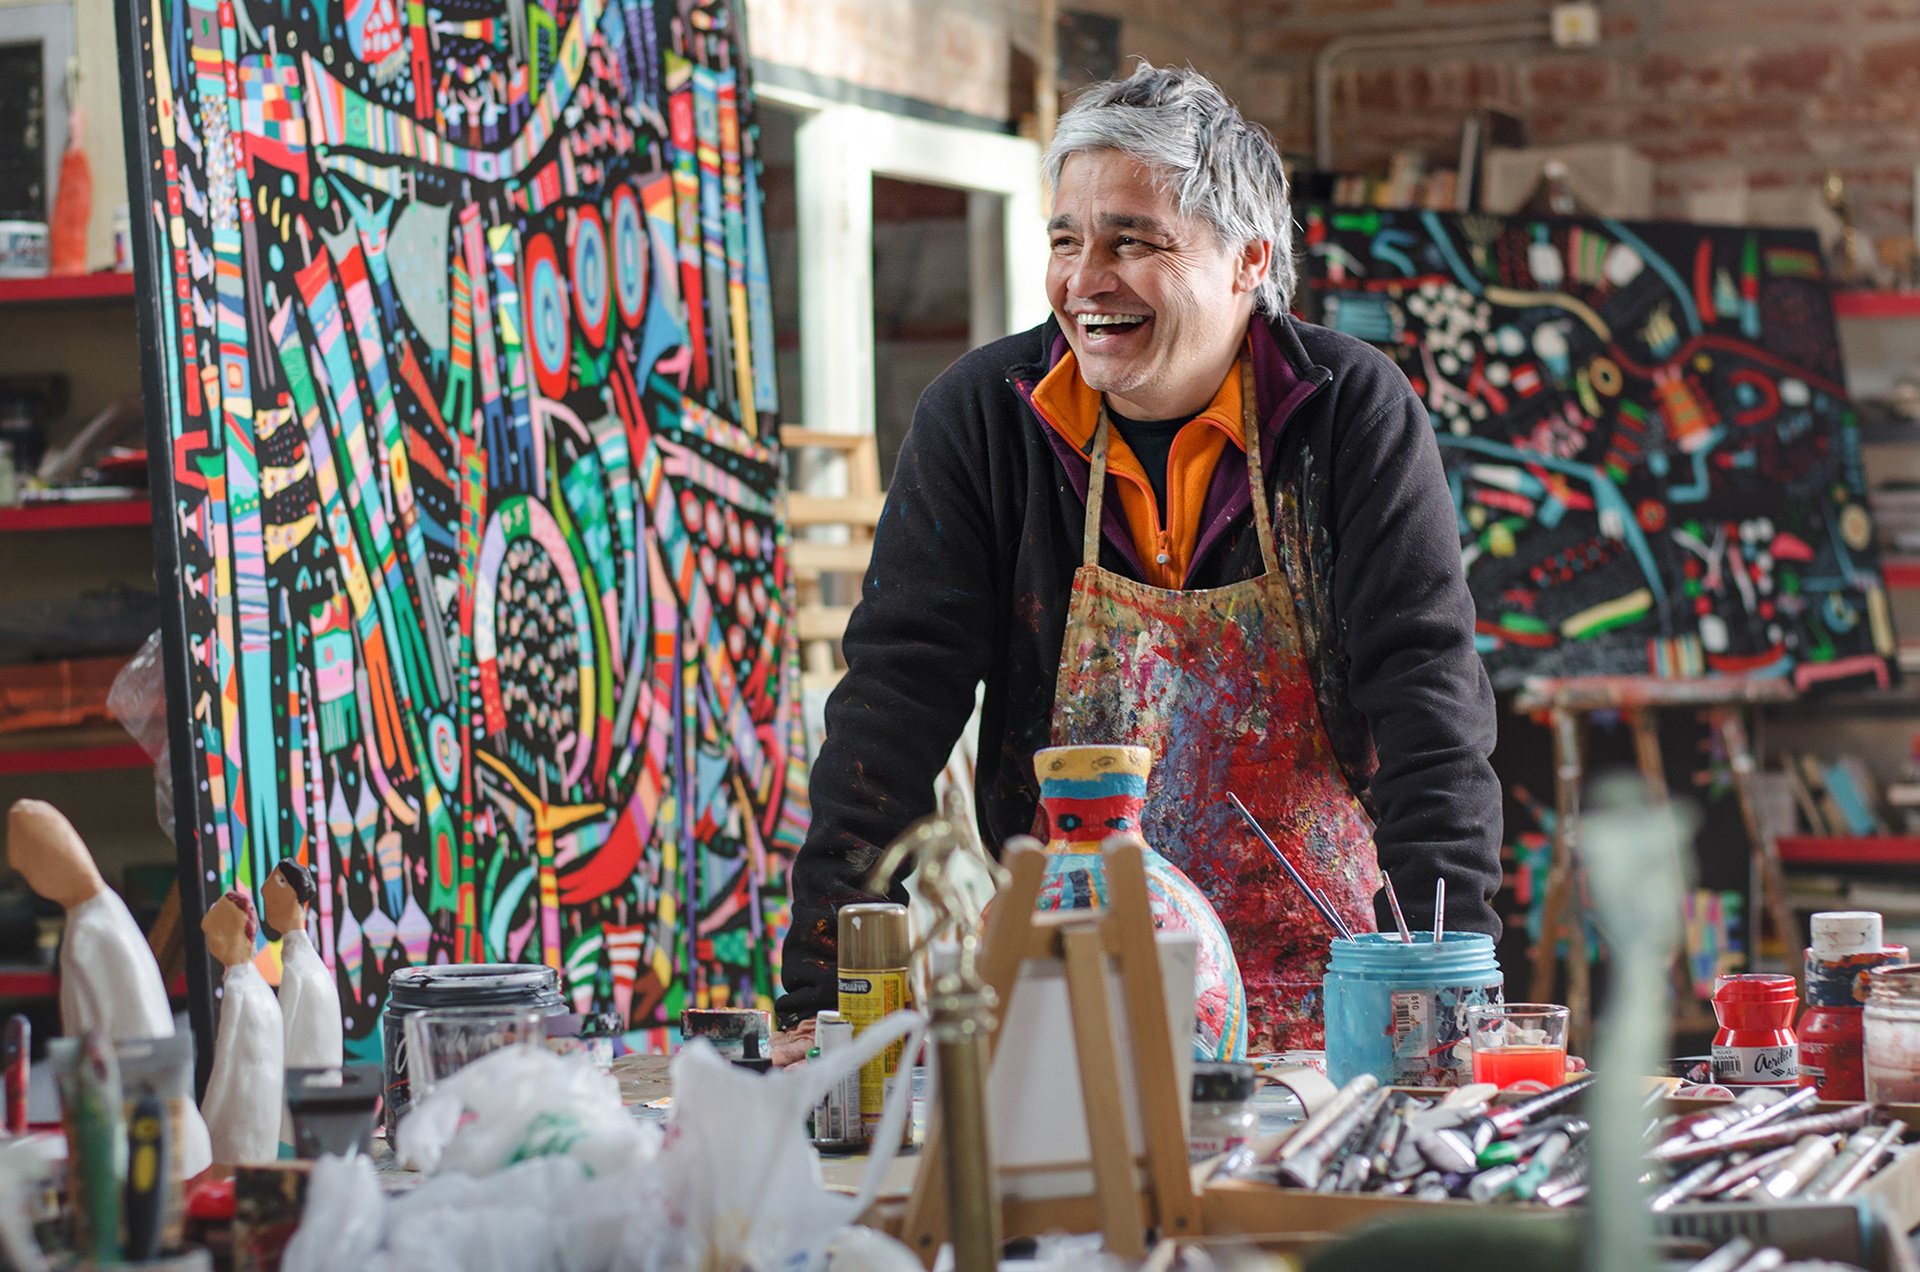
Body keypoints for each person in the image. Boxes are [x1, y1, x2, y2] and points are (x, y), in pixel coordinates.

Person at [776, 64, 1502, 1059]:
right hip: (1063, 993)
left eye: (1134, 240)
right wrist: (825, 999)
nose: (1084, 280)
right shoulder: (985, 421)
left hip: (1324, 1012)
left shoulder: (1346, 416)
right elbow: (892, 710)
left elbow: (1430, 709)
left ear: (1249, 259)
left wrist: (1443, 1001)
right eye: (1066, 239)